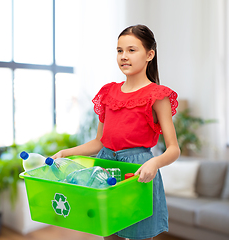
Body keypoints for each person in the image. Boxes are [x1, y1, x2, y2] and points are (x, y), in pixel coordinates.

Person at [52, 24, 180, 240]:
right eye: (120, 51)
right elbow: (99, 142)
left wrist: (154, 163)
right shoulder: (108, 92)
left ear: (150, 54)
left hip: (138, 174)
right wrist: (67, 153)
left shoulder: (158, 95)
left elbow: (174, 149)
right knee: (108, 233)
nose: (124, 56)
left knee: (140, 233)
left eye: (132, 50)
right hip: (105, 169)